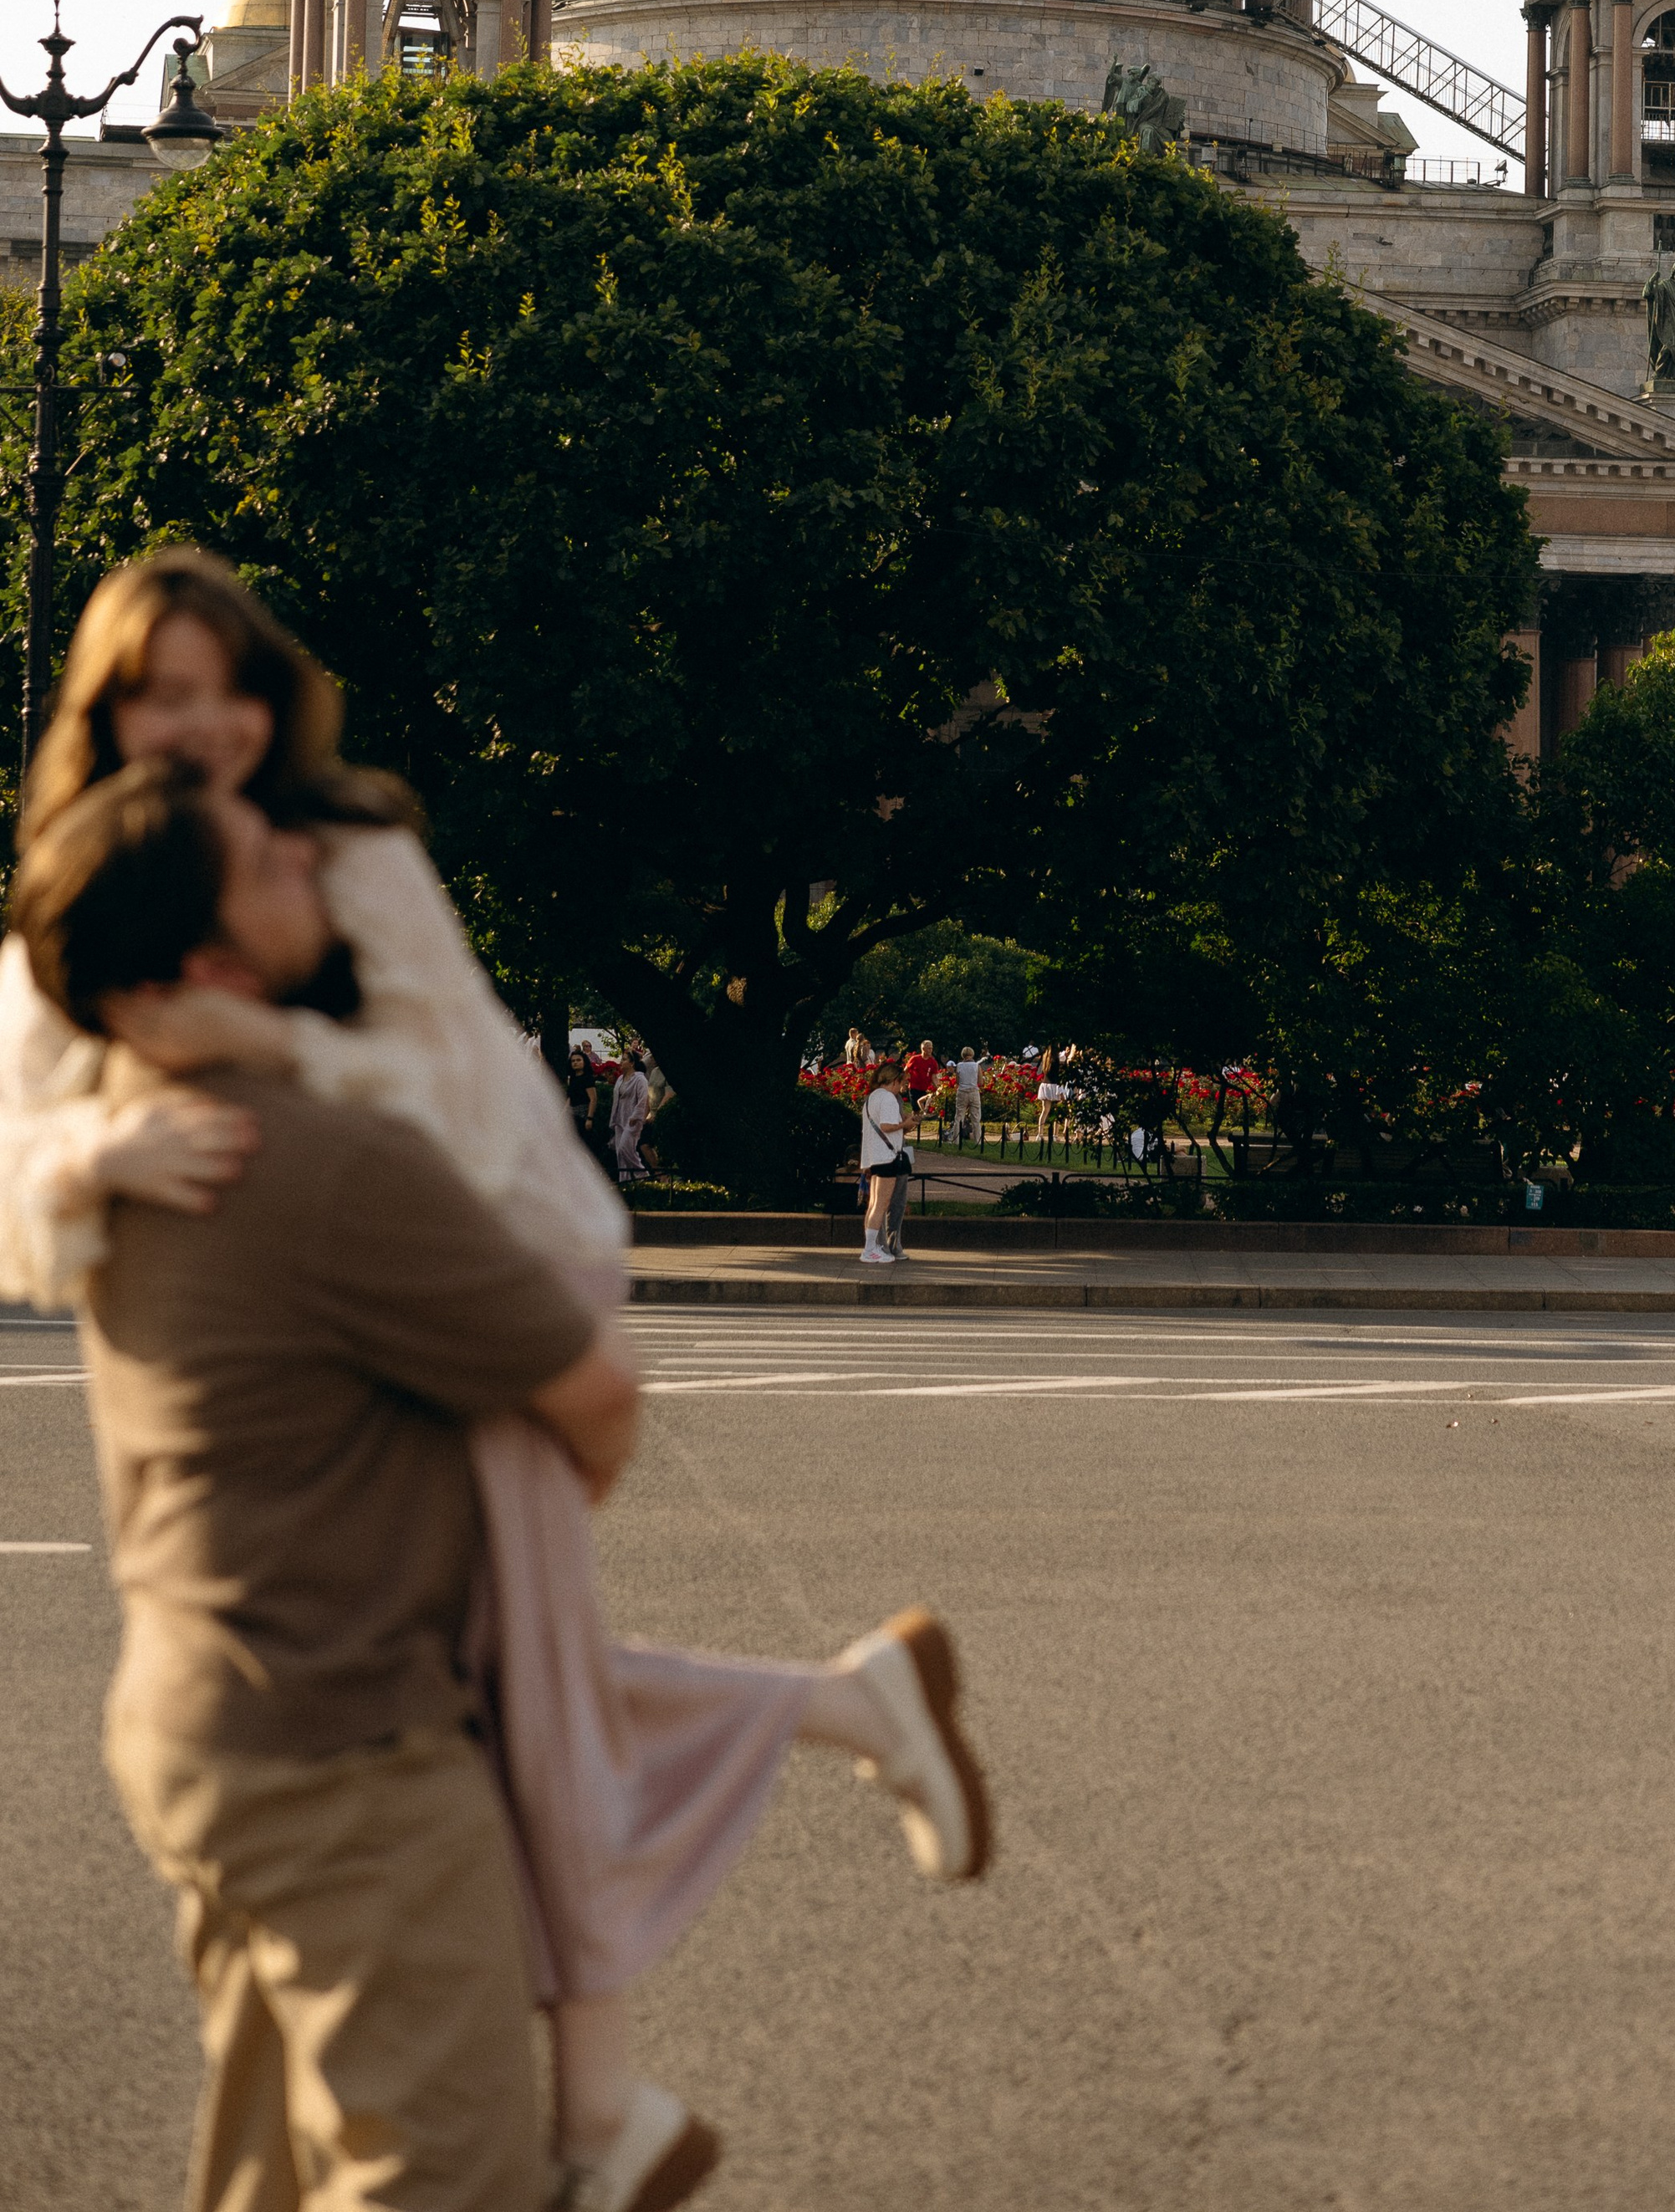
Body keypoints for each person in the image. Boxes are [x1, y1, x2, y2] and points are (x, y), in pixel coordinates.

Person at [0, 553, 993, 2210]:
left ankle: (602, 2105)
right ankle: (833, 1734)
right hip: (302, 1350)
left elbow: (465, 1091)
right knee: (501, 1683)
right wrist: (104, 1136)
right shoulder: (100, 880)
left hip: (486, 1260)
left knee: (509, 1686)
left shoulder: (336, 856)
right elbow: (26, 1136)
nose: (197, 729)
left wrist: (263, 1062)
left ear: (269, 703)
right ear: (105, 716)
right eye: (155, 694)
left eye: (223, 688)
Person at [20, 759, 640, 2212]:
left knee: (272, 2170)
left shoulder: (128, 1136)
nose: (308, 860)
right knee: (439, 2177)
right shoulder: (320, 1158)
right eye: (267, 860)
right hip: (346, 1755)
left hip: (199, 1724)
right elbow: (597, 1401)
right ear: (210, 959)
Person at [859, 1055, 912, 1268]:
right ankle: (870, 1249)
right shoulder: (889, 1098)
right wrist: (906, 1123)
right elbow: (888, 1126)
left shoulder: (872, 1097)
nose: (902, 1087)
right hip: (888, 1156)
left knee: (873, 1205)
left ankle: (871, 1246)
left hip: (875, 1156)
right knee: (881, 1205)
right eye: (902, 1082)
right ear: (894, 1080)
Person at [608, 1047, 651, 1184]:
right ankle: (625, 1182)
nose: (621, 1062)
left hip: (632, 1120)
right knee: (620, 1154)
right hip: (619, 1119)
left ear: (632, 1063)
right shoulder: (620, 1079)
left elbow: (643, 1099)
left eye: (624, 1059)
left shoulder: (640, 1079)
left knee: (624, 1149)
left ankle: (642, 1175)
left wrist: (637, 1116)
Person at [952, 1046, 983, 1150]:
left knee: (959, 1117)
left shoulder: (959, 1066)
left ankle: (956, 1140)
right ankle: (978, 1140)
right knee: (976, 1118)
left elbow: (957, 1081)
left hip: (962, 1092)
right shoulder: (976, 1066)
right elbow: (980, 1082)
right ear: (972, 1054)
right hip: (974, 1091)